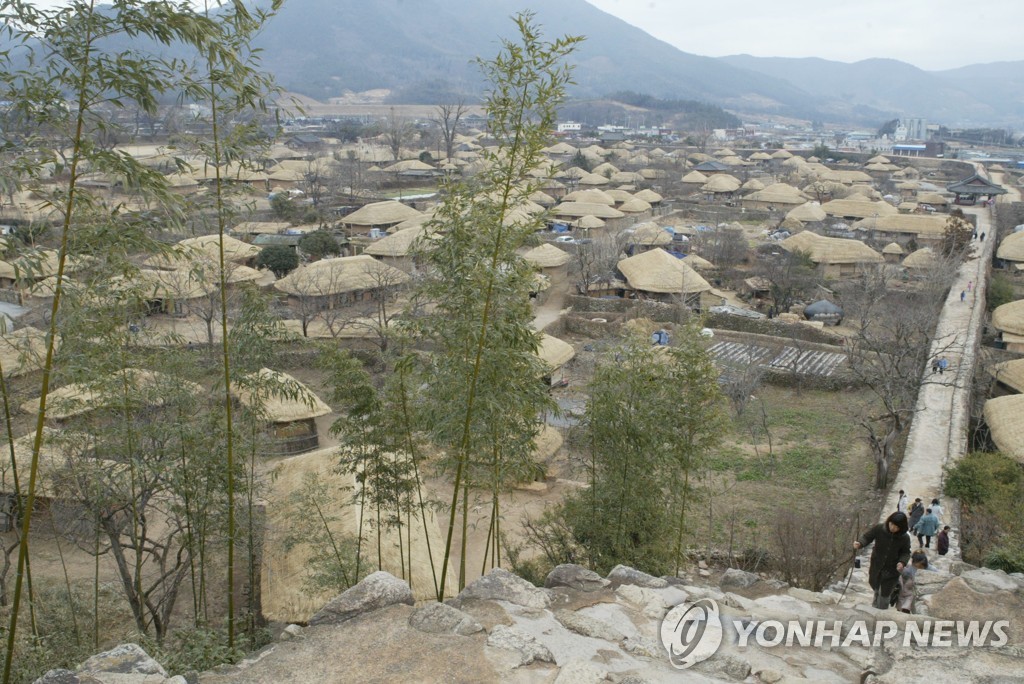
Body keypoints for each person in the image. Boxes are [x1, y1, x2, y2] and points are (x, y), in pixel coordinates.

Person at [854, 512, 911, 610]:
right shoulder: (880, 529)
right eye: (891, 524)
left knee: (885, 594)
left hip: (892, 570)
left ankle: (881, 613)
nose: (892, 528)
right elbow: (867, 537)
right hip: (877, 565)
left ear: (901, 528)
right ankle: (875, 605)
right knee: (875, 585)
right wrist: (860, 543)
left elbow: (906, 552)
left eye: (896, 527)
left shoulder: (904, 538)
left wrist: (902, 562)